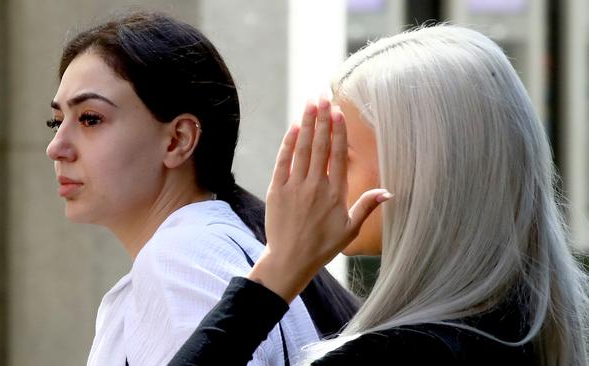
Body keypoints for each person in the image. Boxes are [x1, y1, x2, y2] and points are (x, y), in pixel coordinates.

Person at [169, 25, 589, 365]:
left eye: (341, 154)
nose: (323, 174)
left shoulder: (396, 354)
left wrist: (279, 268)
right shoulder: (522, 334)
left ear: (424, 172)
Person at [45, 12, 359, 366]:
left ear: (178, 139)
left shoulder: (182, 256)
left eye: (90, 119)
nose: (56, 147)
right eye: (56, 122)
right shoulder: (224, 244)